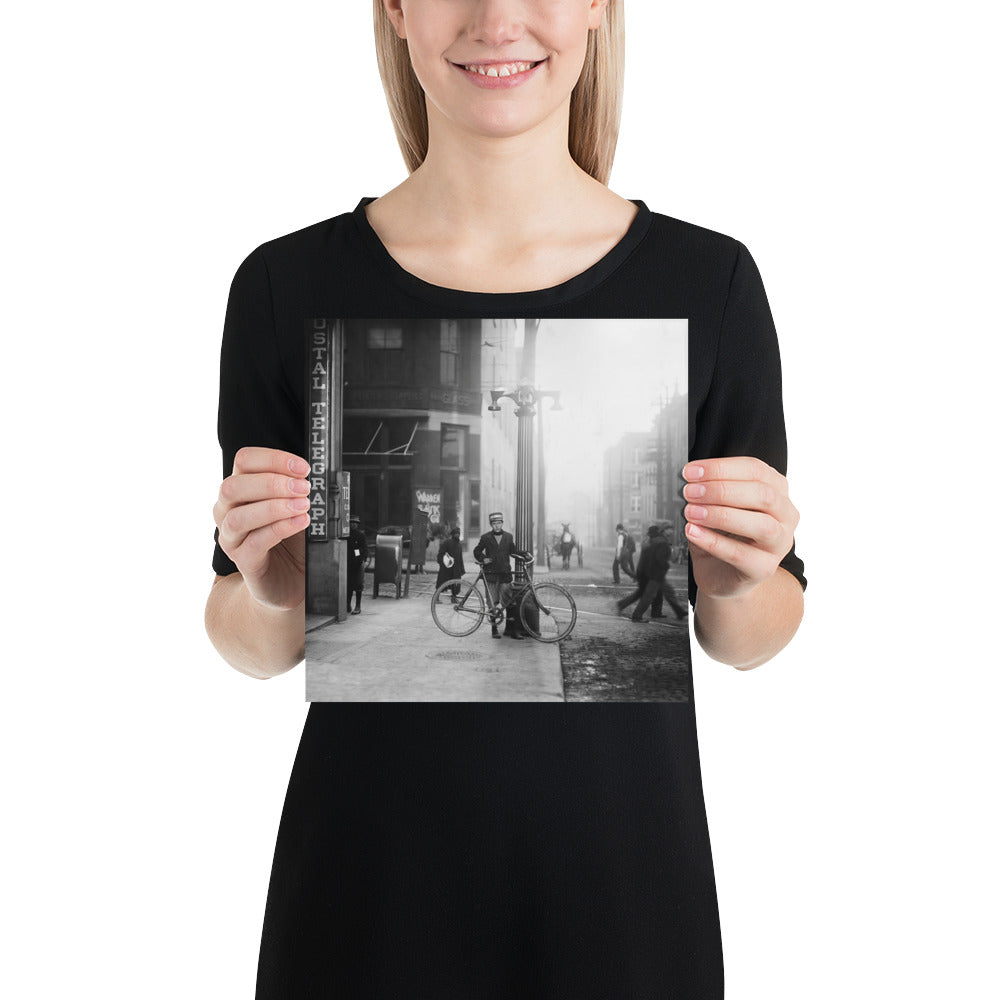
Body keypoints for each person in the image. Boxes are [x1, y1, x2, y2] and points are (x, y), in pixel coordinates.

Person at [206, 2, 806, 996]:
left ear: (599, 8)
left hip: (622, 898)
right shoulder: (283, 284)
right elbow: (246, 640)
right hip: (365, 904)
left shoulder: (711, 281)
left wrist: (737, 571)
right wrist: (269, 582)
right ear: (395, 9)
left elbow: (754, 634)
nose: (496, 17)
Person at [472, 511, 532, 639]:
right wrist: (483, 558)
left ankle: (512, 630)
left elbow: (513, 551)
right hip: (491, 574)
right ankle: (494, 629)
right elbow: (477, 550)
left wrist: (524, 554)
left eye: (499, 523)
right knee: (492, 603)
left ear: (502, 523)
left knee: (510, 601)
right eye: (494, 523)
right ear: (491, 525)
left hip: (504, 574)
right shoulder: (486, 537)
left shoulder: (508, 537)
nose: (497, 526)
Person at [345, 515, 368, 615]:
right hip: (348, 562)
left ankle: (358, 606)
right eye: (351, 523)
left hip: (358, 562)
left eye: (355, 523)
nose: (353, 525)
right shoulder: (345, 535)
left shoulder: (360, 535)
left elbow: (364, 548)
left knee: (358, 585)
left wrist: (362, 559)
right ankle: (347, 604)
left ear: (357, 525)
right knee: (348, 584)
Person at [434, 525, 466, 599]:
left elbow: (460, 558)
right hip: (446, 567)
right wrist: (443, 563)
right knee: (442, 582)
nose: (457, 535)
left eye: (458, 533)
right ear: (453, 534)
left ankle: (454, 598)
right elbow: (441, 554)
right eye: (456, 533)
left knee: (455, 584)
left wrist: (461, 568)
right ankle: (436, 597)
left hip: (456, 568)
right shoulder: (447, 542)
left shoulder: (459, 545)